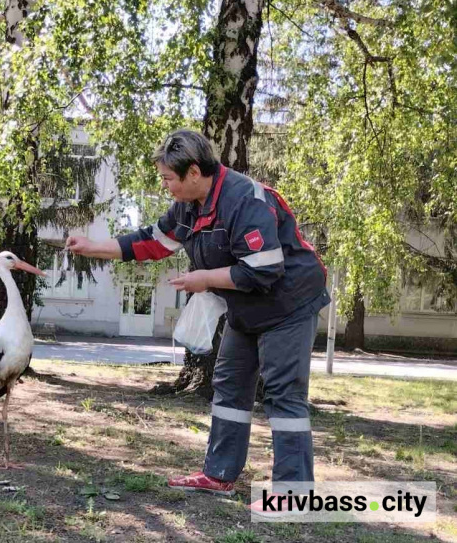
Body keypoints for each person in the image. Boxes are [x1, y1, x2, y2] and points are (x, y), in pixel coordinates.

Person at [65, 129, 330, 516]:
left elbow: (266, 269)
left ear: (192, 172)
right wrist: (93, 248)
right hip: (246, 307)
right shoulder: (189, 206)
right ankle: (220, 474)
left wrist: (204, 279)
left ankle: (294, 494)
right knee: (230, 385)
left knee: (283, 394)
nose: (164, 185)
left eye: (168, 178)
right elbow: (149, 242)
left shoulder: (244, 200)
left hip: (288, 304)